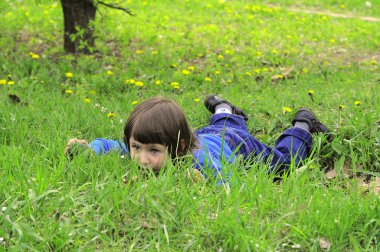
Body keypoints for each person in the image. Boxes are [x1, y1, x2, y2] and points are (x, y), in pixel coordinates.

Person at [65, 95, 333, 180]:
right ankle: (222, 107)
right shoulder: (140, 152)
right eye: (136, 147)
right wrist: (92, 149)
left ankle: (302, 124)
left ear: (178, 146)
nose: (141, 159)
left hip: (237, 146)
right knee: (224, 123)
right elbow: (113, 146)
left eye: (153, 151)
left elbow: (228, 181)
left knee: (283, 164)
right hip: (208, 135)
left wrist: (204, 183)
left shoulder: (200, 161)